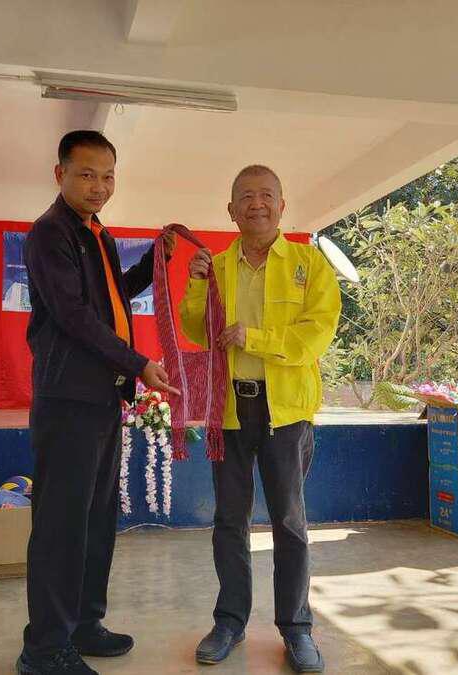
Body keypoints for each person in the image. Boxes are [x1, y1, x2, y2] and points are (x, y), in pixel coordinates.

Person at [18, 130, 177, 675]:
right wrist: (138, 364)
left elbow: (111, 298)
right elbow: (74, 316)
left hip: (102, 398)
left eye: (108, 176)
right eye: (86, 174)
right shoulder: (50, 234)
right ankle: (44, 648)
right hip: (68, 400)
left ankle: (84, 623)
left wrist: (154, 261)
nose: (99, 186)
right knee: (62, 524)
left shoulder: (96, 234)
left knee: (95, 519)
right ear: (59, 173)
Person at [179, 165, 340, 673]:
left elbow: (315, 335)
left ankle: (297, 629)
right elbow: (196, 330)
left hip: (285, 411)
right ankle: (229, 621)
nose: (257, 204)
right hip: (229, 410)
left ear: (282, 205)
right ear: (231, 210)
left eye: (266, 195)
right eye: (246, 197)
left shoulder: (309, 265)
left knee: (289, 522)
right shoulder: (216, 266)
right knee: (229, 521)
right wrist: (196, 284)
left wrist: (255, 338)